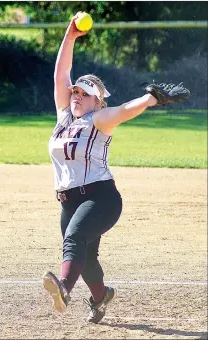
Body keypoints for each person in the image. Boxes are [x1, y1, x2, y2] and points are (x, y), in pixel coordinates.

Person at [43, 13, 190, 324]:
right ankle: (101, 297)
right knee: (87, 258)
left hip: (101, 199)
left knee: (73, 239)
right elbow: (60, 74)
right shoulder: (64, 118)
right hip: (69, 200)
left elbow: (125, 110)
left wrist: (151, 98)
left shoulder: (100, 118)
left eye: (84, 93)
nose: (77, 96)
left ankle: (64, 290)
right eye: (76, 92)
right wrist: (69, 37)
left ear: (98, 102)